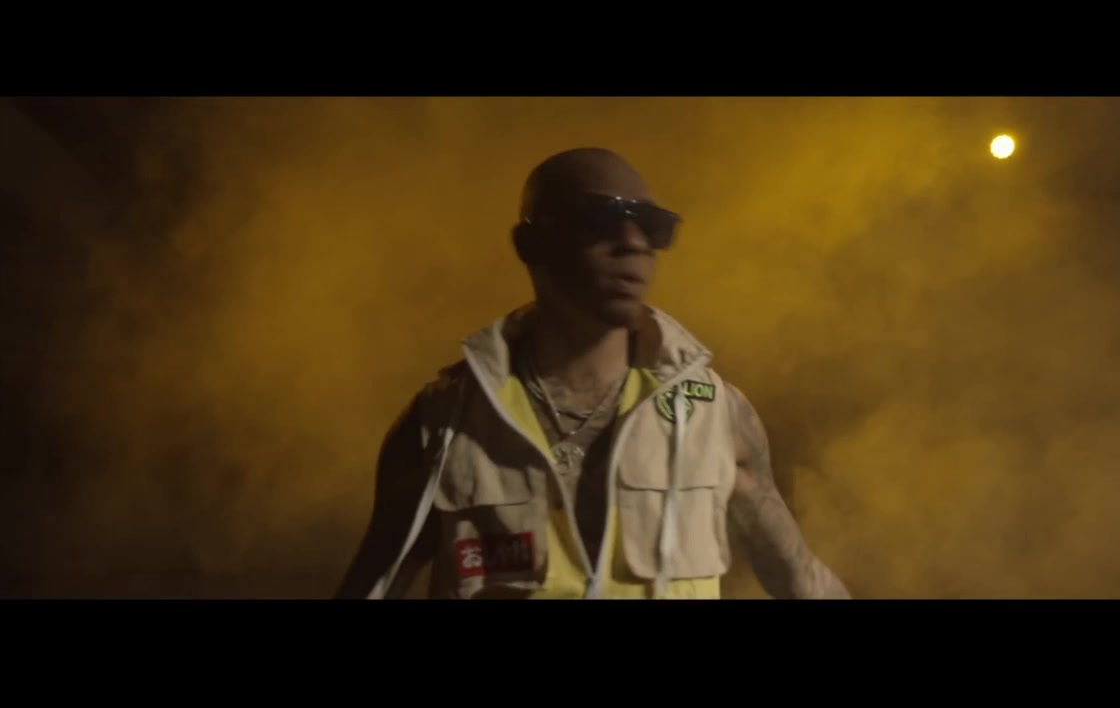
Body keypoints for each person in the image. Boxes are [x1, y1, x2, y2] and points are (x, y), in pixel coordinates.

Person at [335, 148, 850, 599]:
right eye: (601, 220)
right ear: (530, 244)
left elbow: (801, 577)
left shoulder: (715, 416)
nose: (633, 242)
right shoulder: (444, 424)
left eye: (653, 227)